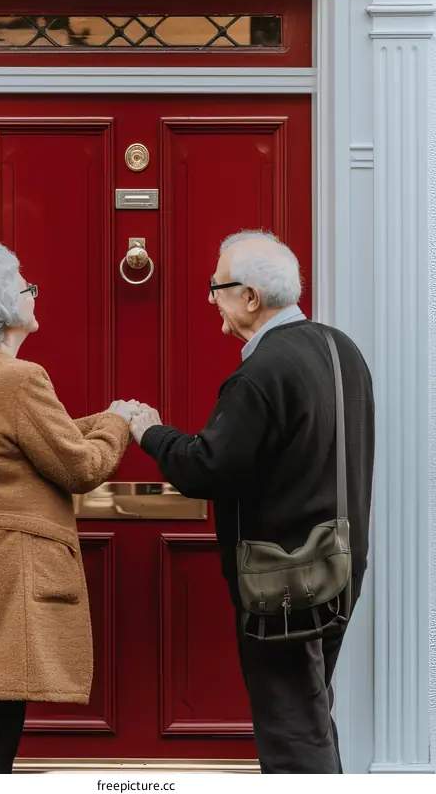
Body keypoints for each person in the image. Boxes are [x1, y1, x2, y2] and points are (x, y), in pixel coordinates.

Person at [129, 229, 374, 774]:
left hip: (282, 580)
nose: (211, 297)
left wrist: (149, 432)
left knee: (291, 733)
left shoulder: (261, 372)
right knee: (310, 714)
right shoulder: (340, 349)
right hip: (337, 568)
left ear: (250, 297)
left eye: (215, 286)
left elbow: (205, 467)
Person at [0, 243, 139, 774]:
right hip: (8, 575)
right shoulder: (19, 379)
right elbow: (81, 468)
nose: (34, 295)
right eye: (25, 288)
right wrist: (120, 422)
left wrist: (102, 418)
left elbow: (26, 442)